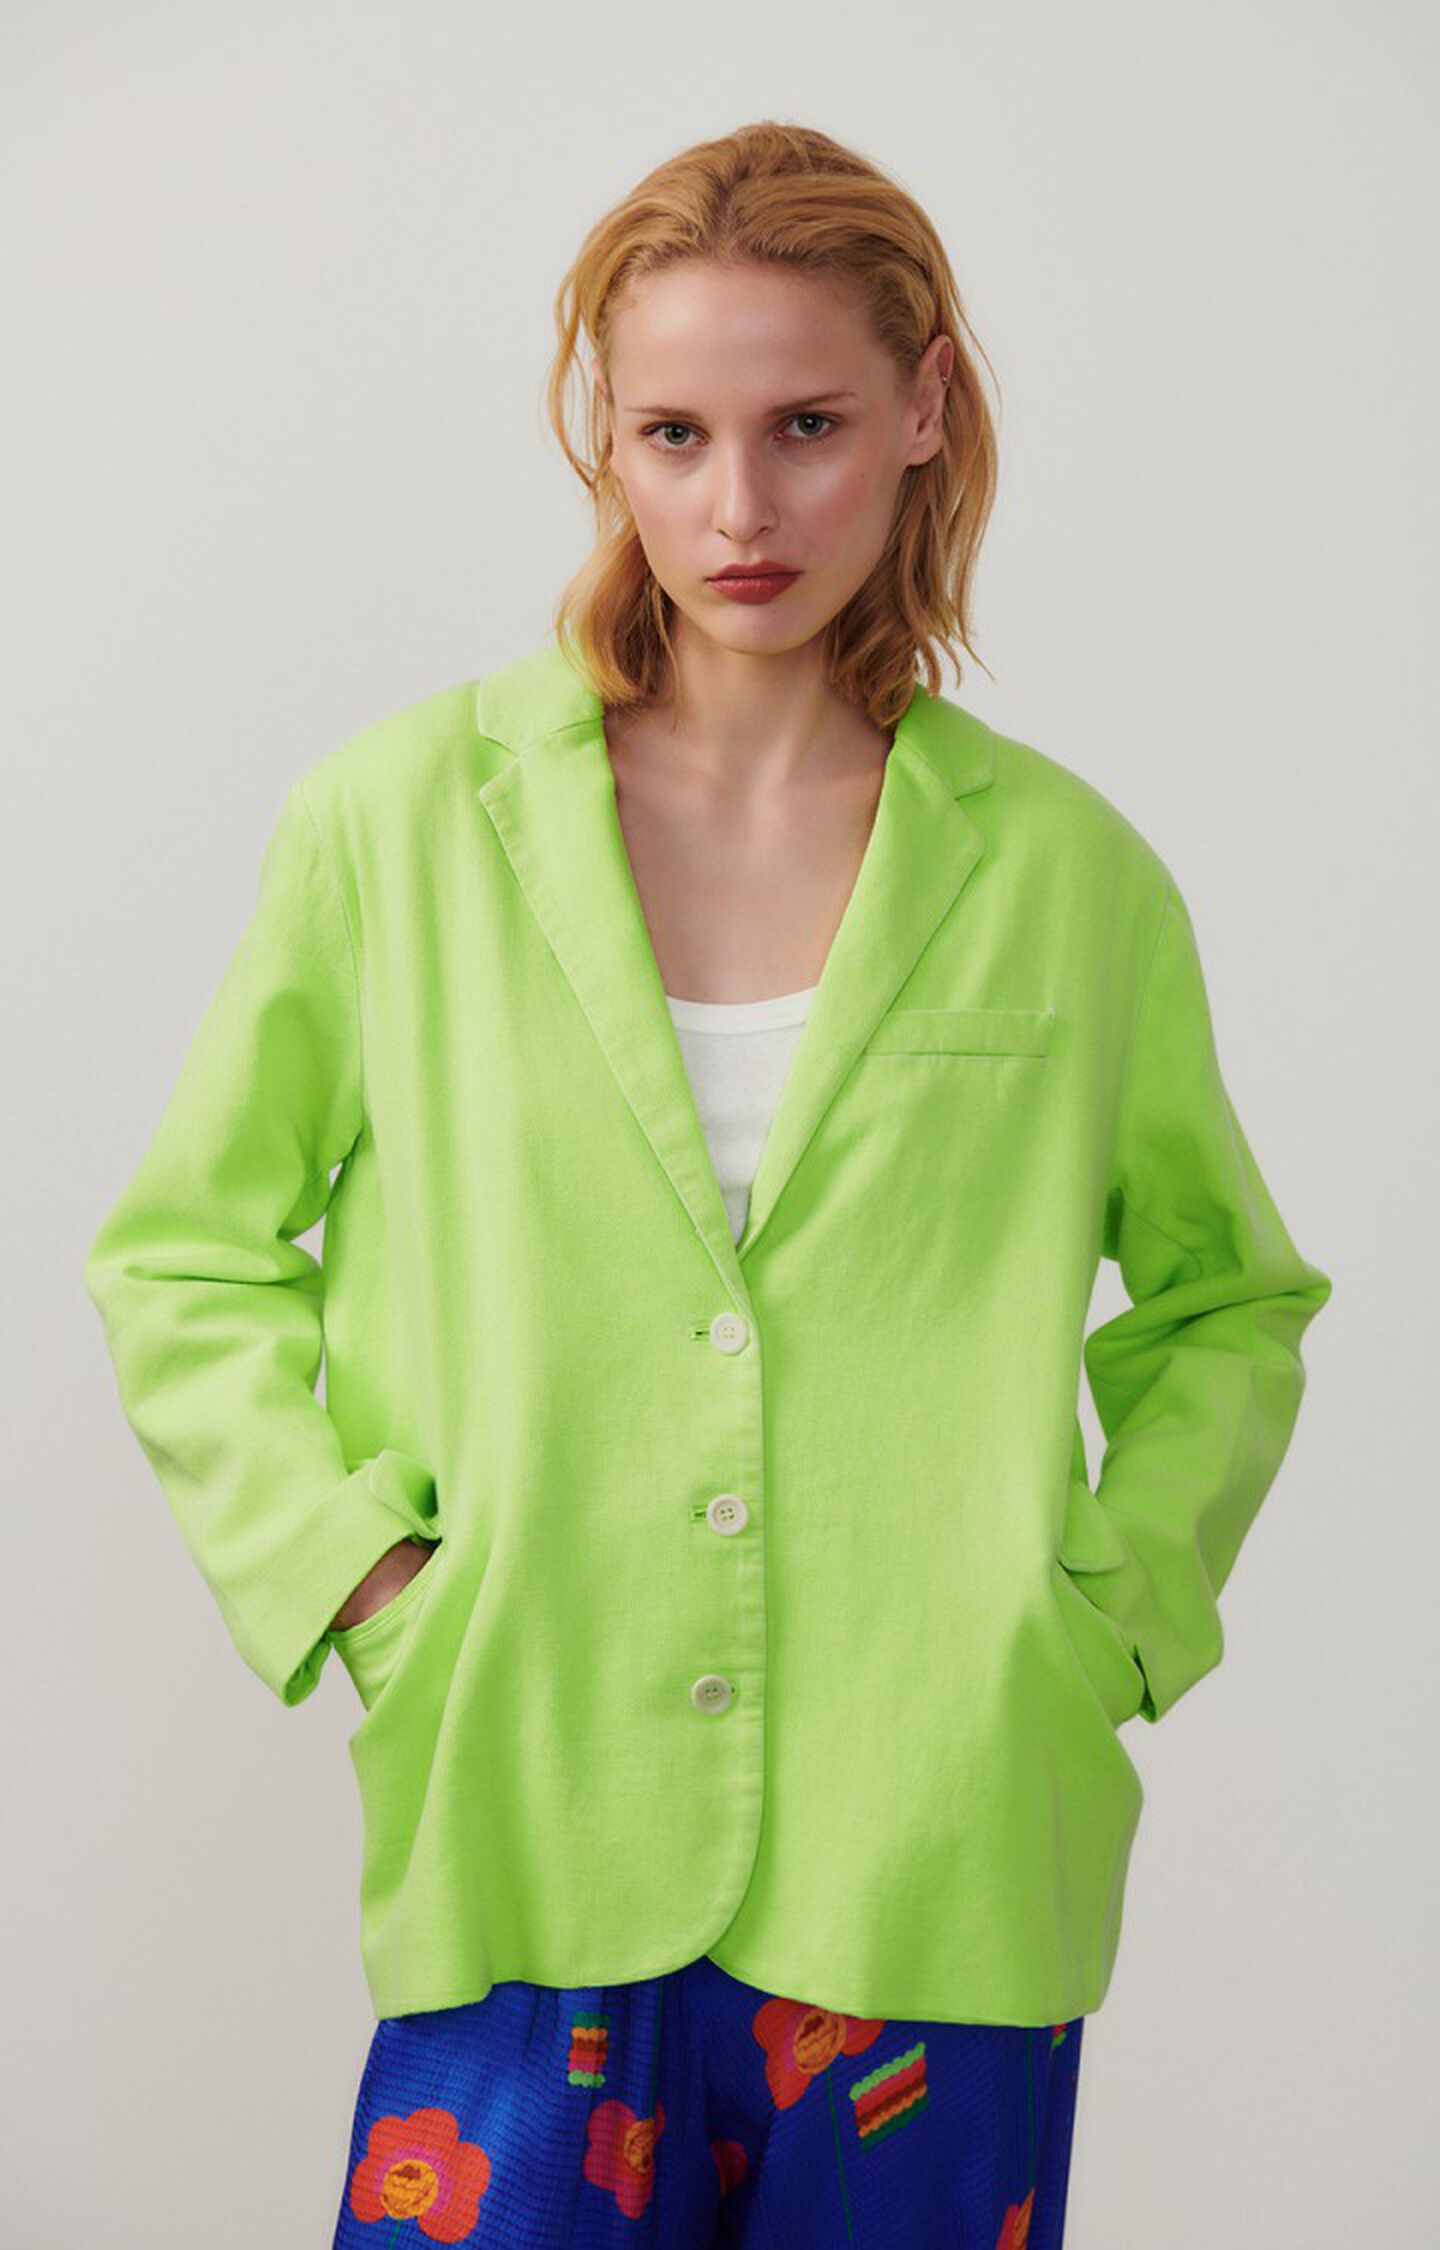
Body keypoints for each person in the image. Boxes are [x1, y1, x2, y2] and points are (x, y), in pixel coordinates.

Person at [84, 120, 1333, 2248]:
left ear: (925, 407)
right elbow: (185, 1253)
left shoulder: (1068, 876)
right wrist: (364, 1586)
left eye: (806, 427)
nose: (738, 510)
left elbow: (1231, 1303)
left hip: (936, 1852)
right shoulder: (402, 824)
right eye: (674, 433)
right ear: (608, 433)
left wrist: (1099, 1620)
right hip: (531, 1801)